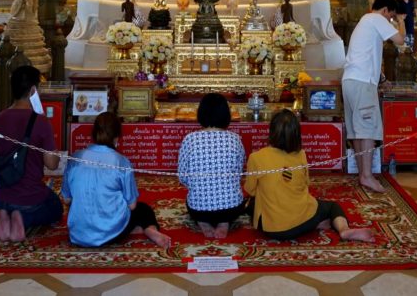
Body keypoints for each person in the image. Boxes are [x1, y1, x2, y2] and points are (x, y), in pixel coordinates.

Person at [245, 109, 374, 242]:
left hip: (271, 230)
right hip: (302, 220)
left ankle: (315, 224)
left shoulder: (256, 157)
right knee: (332, 207)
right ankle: (343, 230)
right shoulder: (301, 154)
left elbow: (250, 190)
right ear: (296, 134)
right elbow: (305, 183)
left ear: (271, 132)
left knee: (251, 204)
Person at [61, 111, 172, 249]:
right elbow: (132, 205)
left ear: (93, 134)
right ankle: (150, 230)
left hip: (78, 234)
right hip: (111, 233)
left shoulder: (75, 158)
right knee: (143, 210)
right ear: (116, 137)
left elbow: (67, 199)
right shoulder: (121, 162)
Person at [0, 64, 62, 242]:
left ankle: (6, 215)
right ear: (33, 90)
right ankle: (23, 219)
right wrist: (57, 153)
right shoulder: (41, 122)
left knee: (12, 201)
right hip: (28, 196)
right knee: (55, 208)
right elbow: (52, 164)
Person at [341, 0, 405, 193]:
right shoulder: (377, 19)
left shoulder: (364, 20)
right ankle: (367, 176)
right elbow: (400, 40)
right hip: (361, 83)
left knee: (358, 130)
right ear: (385, 10)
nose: (390, 21)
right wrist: (401, 21)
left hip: (350, 80)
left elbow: (368, 55)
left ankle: (363, 174)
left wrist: (382, 79)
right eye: (391, 17)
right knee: (367, 129)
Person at [177, 93, 247, 238]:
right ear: (226, 114)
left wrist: (201, 186)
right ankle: (224, 221)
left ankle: (203, 221)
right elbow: (239, 172)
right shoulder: (235, 139)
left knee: (196, 204)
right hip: (232, 207)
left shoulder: (190, 139)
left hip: (198, 207)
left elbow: (182, 177)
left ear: (201, 113)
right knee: (232, 203)